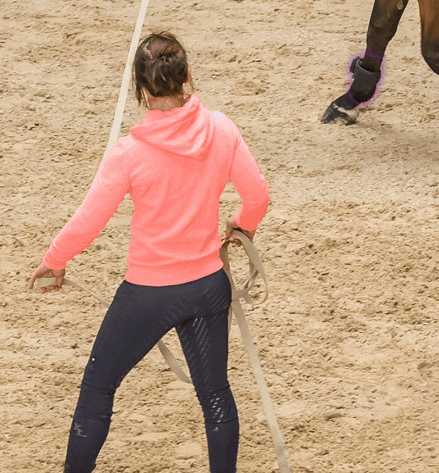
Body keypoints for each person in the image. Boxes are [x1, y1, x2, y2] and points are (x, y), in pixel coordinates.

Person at [29, 32, 269, 473]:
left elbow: (90, 220)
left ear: (140, 88)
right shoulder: (222, 128)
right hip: (207, 287)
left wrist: (55, 260)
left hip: (149, 294)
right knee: (215, 393)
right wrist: (242, 226)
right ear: (189, 77)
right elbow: (257, 196)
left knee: (98, 389)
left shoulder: (129, 152)